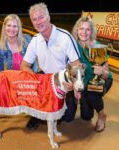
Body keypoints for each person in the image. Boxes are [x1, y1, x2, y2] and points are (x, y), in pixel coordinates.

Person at [20, 2, 80, 130]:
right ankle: (37, 114)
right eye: (34, 19)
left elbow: (77, 65)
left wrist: (72, 83)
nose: (38, 22)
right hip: (45, 81)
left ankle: (62, 105)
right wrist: (35, 81)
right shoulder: (35, 40)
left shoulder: (65, 37)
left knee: (67, 118)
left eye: (41, 17)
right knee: (30, 82)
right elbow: (24, 66)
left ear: (48, 18)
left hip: (64, 81)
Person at [71, 16, 113, 132]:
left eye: (87, 29)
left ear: (91, 31)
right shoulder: (73, 45)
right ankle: (86, 101)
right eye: (81, 29)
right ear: (77, 30)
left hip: (102, 80)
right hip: (85, 82)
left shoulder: (97, 46)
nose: (84, 32)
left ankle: (101, 115)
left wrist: (101, 72)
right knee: (86, 116)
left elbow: (106, 74)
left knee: (92, 94)